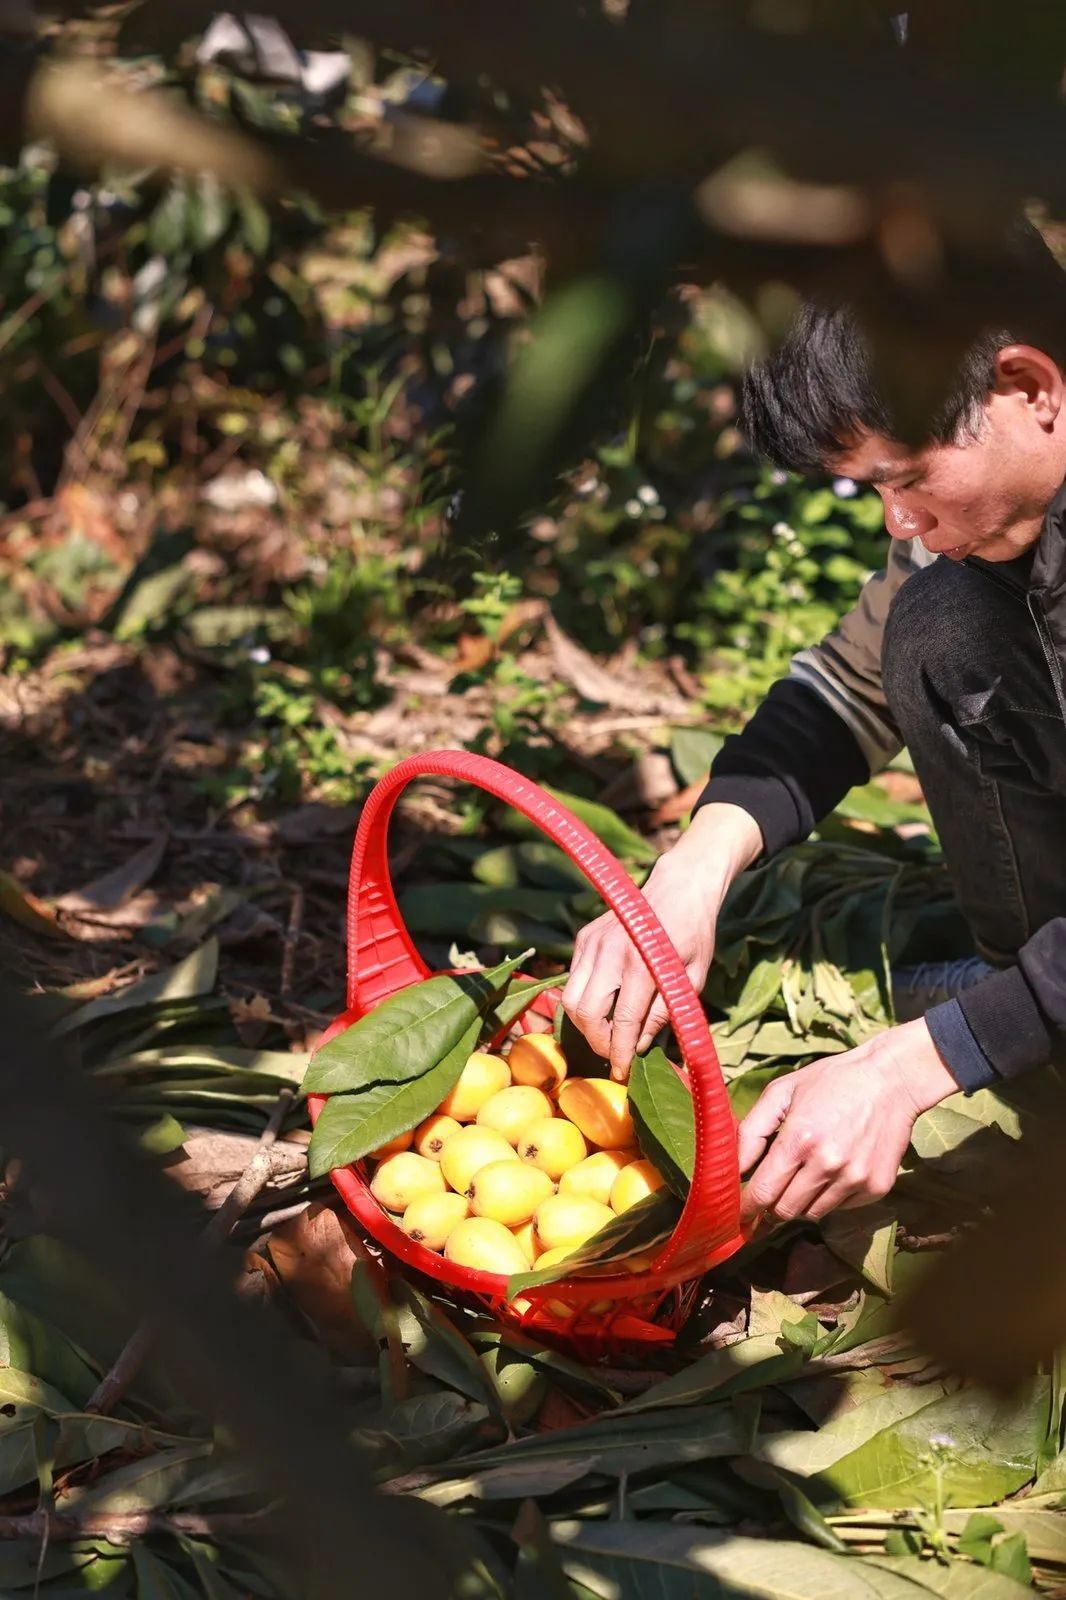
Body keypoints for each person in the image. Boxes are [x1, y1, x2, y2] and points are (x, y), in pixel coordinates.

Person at [562, 219, 1066, 1227]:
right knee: (935, 622)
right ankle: (1028, 998)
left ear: (1028, 387)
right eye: (874, 488)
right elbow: (852, 680)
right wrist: (694, 868)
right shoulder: (995, 519)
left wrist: (909, 1065)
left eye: (909, 476)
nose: (898, 520)